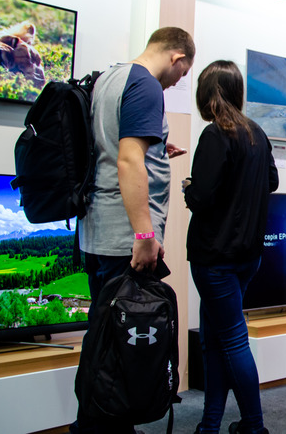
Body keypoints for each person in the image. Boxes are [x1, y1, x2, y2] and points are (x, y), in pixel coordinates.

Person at [72, 26, 195, 434]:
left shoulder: (110, 77)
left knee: (106, 347)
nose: (178, 81)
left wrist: (159, 146)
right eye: (183, 73)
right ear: (177, 57)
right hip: (124, 238)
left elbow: (117, 149)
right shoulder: (145, 85)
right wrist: (144, 235)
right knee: (119, 357)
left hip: (99, 230)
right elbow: (127, 161)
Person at [184, 60, 278, 434]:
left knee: (232, 341)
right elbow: (270, 181)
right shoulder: (256, 132)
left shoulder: (215, 134)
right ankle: (210, 424)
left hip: (215, 258)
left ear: (207, 94)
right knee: (213, 339)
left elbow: (202, 198)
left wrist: (189, 188)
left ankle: (254, 426)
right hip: (246, 258)